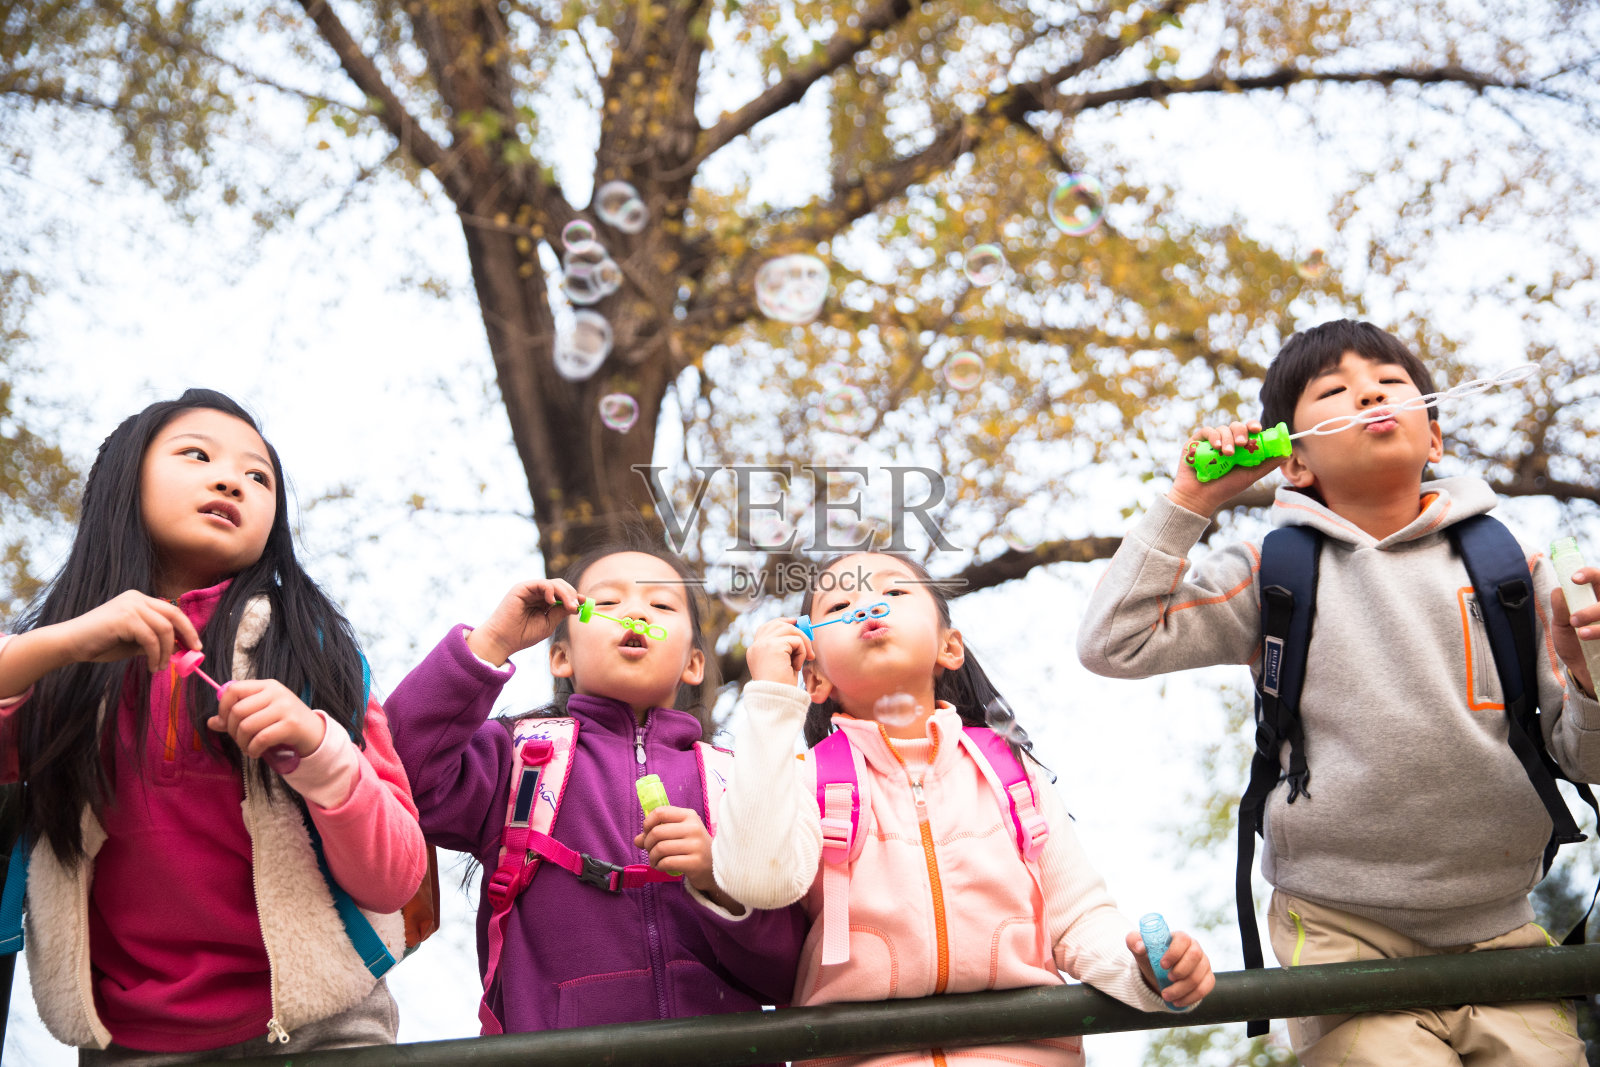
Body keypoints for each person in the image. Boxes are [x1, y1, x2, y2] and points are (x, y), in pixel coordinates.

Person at [1077, 318, 1600, 1065]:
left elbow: (1585, 760)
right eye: (1334, 389)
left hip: (1502, 926)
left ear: (1435, 439)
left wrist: (1591, 680)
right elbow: (1111, 641)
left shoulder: (1513, 564)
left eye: (1390, 382)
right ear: (1292, 463)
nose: (1368, 391)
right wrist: (1191, 499)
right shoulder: (1269, 567)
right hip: (1336, 931)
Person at [0, 389, 426, 1063]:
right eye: (196, 455)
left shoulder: (313, 654)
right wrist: (56, 644)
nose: (232, 479)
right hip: (126, 1046)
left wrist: (321, 751)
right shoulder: (57, 666)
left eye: (260, 476)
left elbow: (396, 877)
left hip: (324, 1035)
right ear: (122, 482)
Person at [712, 550, 1214, 1067]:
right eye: (840, 602)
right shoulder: (800, 778)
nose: (867, 607)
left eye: (894, 592)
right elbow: (757, 881)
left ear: (949, 647)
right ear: (815, 678)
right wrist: (771, 697)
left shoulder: (1010, 773)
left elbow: (1078, 920)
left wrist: (1145, 974)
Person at [385, 541, 806, 1038]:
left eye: (662, 605)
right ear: (560, 656)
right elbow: (397, 771)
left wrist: (717, 876)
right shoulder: (516, 760)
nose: (634, 611)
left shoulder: (740, 782)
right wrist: (494, 640)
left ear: (693, 665)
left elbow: (789, 974)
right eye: (606, 602)